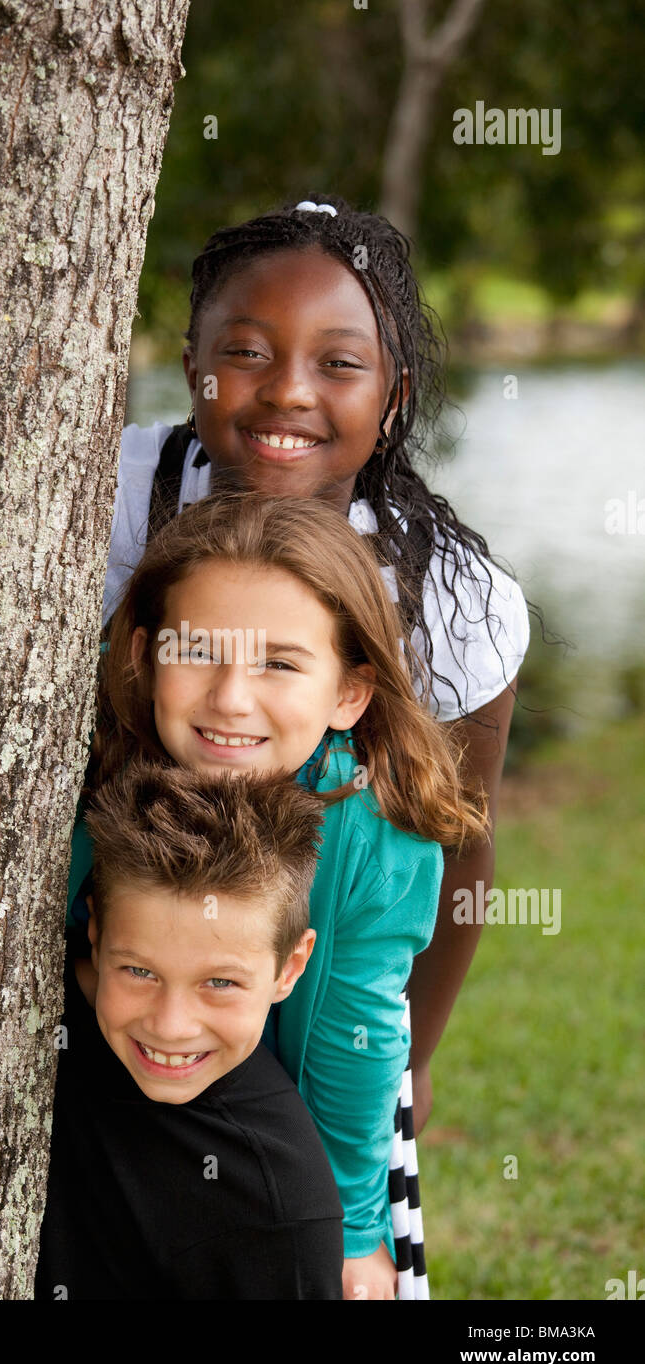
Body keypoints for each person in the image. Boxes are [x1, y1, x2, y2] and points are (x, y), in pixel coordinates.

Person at [104, 195, 530, 1151]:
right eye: (248, 352)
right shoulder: (117, 498)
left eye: (339, 363)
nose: (289, 390)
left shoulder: (452, 597)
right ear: (192, 370)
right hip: (141, 995)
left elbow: (464, 841)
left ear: (394, 398)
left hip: (328, 999)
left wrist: (415, 1052)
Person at [71, 490, 489, 1299]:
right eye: (198, 651)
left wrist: (356, 1227)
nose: (231, 698)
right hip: (134, 1055)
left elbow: (355, 1035)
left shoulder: (376, 839)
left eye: (279, 663)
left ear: (348, 694)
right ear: (142, 655)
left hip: (308, 1105)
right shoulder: (93, 763)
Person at [35, 760, 346, 1301]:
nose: (170, 1026)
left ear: (288, 969)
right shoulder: (17, 995)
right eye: (139, 971)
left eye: (220, 982)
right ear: (96, 931)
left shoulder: (278, 1213)